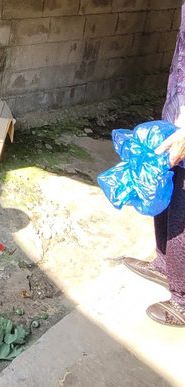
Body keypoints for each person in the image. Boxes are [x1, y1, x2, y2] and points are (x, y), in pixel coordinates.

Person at [122, 3, 185, 327]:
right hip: (177, 114)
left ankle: (183, 299)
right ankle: (164, 264)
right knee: (169, 189)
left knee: (184, 209)